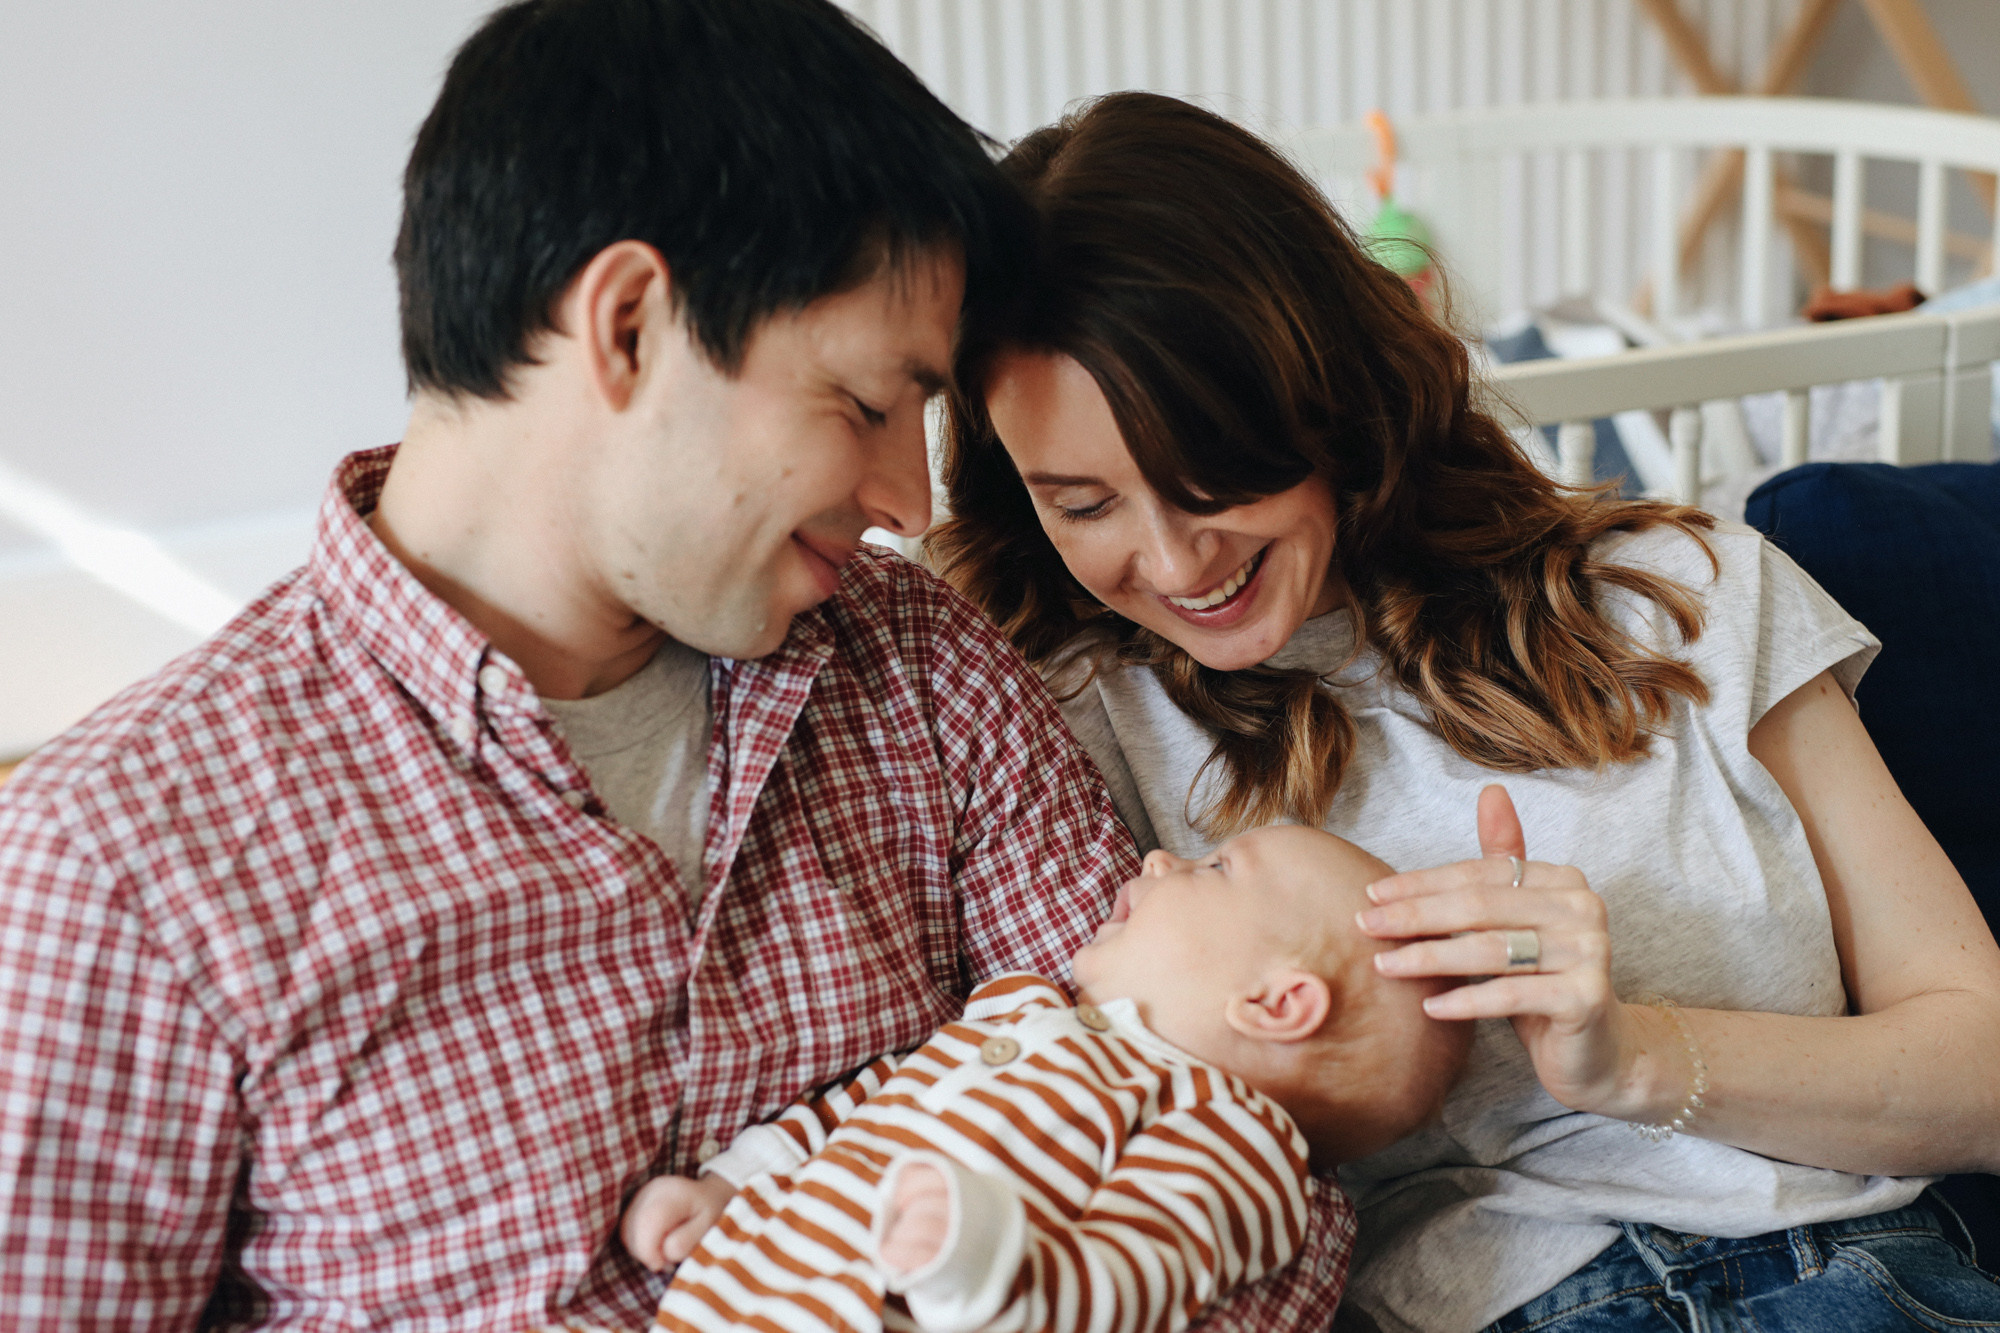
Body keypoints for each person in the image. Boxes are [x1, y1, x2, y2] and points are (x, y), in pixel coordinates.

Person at [0, 13, 1367, 1329]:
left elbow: (1244, 1150)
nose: (908, 493)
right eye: (870, 404)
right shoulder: (116, 866)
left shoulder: (919, 664)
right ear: (632, 324)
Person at [929, 91, 2000, 1333]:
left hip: (1852, 1279)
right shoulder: (1058, 720)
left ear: (1324, 393)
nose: (1171, 565)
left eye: (1206, 472)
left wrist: (1632, 1054)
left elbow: (1977, 1066)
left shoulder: (1684, 594)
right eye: (1082, 503)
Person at [614, 825, 1469, 1333]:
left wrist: (989, 1266)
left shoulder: (1237, 1141)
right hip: (738, 1295)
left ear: (1277, 1002)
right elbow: (871, 1100)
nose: (1162, 858)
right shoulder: (1018, 1008)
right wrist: (735, 1182)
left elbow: (1134, 1272)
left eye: (1215, 868)